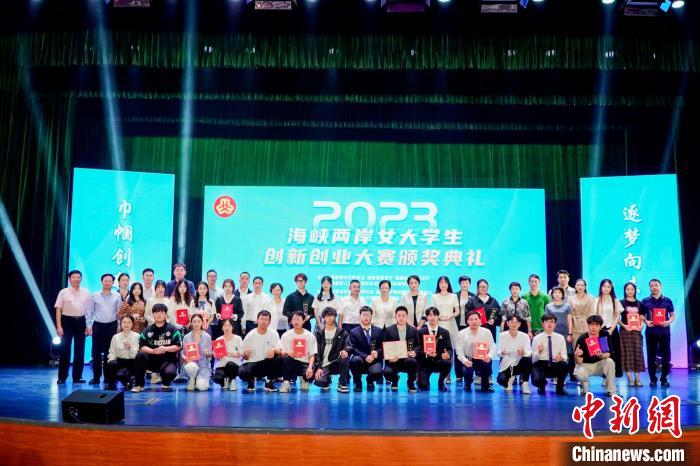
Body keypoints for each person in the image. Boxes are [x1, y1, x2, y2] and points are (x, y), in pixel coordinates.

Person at [132, 304, 182, 392]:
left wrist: (165, 349)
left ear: (166, 314)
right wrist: (152, 351)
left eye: (162, 312)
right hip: (151, 360)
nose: (159, 315)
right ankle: (139, 384)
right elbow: (142, 346)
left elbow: (178, 346)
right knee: (140, 355)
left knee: (169, 373)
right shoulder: (147, 330)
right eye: (156, 312)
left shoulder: (173, 329)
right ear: (153, 314)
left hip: (167, 360)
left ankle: (165, 382)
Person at [54, 270, 91, 384]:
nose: (76, 279)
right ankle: (62, 377)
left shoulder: (86, 292)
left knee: (80, 350)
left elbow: (88, 311)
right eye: (74, 277)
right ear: (69, 279)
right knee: (65, 350)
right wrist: (59, 326)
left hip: (81, 321)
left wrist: (88, 325)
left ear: (81, 279)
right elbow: (58, 309)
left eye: (78, 277)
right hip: (67, 321)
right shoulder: (63, 292)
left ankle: (77, 377)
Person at [86, 273, 121, 385]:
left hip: (112, 326)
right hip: (97, 326)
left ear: (113, 282)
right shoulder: (94, 295)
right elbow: (89, 312)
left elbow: (119, 313)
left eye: (110, 281)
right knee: (95, 353)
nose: (107, 283)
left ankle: (107, 377)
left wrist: (119, 326)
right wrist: (88, 326)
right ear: (102, 282)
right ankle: (96, 377)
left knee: (108, 353)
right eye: (105, 281)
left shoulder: (117, 295)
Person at [642, 278, 675, 388]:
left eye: (656, 285)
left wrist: (668, 322)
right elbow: (642, 315)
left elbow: (672, 315)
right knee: (651, 356)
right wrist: (646, 321)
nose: (654, 287)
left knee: (666, 356)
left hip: (664, 332)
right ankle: (653, 379)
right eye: (652, 286)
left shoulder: (668, 300)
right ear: (649, 288)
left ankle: (664, 378)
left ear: (660, 286)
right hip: (651, 332)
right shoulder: (645, 300)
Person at [574, 314, 617, 396]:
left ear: (600, 327)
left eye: (597, 325)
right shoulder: (582, 338)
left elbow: (608, 353)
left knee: (609, 361)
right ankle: (584, 386)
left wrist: (602, 356)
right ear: (588, 326)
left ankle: (611, 390)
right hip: (586, 365)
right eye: (591, 325)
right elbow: (579, 361)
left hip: (600, 365)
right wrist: (576, 355)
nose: (593, 328)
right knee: (579, 373)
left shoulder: (604, 335)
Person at [240, 310, 282, 392]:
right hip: (252, 363)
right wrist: (245, 354)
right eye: (262, 319)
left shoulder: (273, 334)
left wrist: (274, 349)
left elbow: (280, 349)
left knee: (278, 358)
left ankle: (269, 381)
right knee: (242, 371)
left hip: (266, 363)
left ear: (269, 322)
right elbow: (244, 356)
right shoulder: (250, 335)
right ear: (257, 320)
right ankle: (251, 380)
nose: (264, 321)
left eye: (266, 319)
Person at [456, 311, 496, 393]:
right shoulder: (461, 333)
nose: (474, 321)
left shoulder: (487, 332)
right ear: (467, 321)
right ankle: (467, 383)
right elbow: (459, 351)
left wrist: (489, 356)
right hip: (468, 359)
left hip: (482, 358)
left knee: (487, 364)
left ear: (480, 320)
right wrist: (464, 360)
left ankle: (485, 385)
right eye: (471, 319)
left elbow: (492, 347)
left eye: (476, 319)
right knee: (467, 372)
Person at [313, 307, 350, 393]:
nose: (329, 318)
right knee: (319, 381)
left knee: (345, 357)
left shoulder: (342, 332)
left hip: (336, 361)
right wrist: (319, 367)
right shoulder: (319, 333)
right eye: (327, 316)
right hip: (324, 364)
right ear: (324, 317)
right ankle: (327, 379)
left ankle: (342, 383)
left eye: (331, 315)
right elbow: (317, 352)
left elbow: (348, 345)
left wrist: (345, 350)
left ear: (335, 317)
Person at [382, 306, 420, 392]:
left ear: (407, 317)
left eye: (403, 315)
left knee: (413, 362)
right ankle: (395, 379)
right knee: (387, 373)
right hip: (393, 360)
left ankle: (410, 383)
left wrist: (414, 352)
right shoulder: (389, 330)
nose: (401, 318)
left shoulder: (413, 330)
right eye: (399, 315)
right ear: (395, 316)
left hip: (407, 359)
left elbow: (418, 346)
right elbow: (385, 347)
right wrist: (389, 358)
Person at [279, 311, 318, 393]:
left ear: (303, 321)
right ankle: (286, 383)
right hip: (291, 363)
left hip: (304, 363)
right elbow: (281, 352)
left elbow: (312, 355)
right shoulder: (286, 335)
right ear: (291, 321)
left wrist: (310, 368)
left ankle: (304, 379)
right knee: (285, 358)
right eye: (294, 319)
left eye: (299, 319)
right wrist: (288, 352)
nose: (296, 322)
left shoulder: (310, 336)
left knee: (310, 376)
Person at [430, 276, 460, 384]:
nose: (443, 284)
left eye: (445, 282)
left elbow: (457, 311)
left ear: (448, 284)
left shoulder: (453, 296)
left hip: (450, 324)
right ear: (438, 284)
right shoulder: (434, 296)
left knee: (450, 349)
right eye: (441, 282)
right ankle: (436, 372)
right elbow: (432, 311)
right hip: (437, 324)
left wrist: (450, 316)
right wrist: (438, 317)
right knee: (437, 348)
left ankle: (448, 376)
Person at [347, 306, 384, 392]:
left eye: (368, 315)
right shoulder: (353, 332)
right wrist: (365, 356)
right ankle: (358, 383)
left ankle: (370, 381)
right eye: (363, 315)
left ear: (371, 316)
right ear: (360, 317)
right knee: (355, 360)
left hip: (374, 360)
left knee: (378, 373)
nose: (366, 317)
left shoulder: (379, 331)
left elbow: (383, 346)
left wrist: (377, 352)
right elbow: (353, 348)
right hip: (360, 360)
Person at [531, 314, 569, 395]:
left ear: (555, 324)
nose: (549, 324)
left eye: (552, 322)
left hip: (555, 363)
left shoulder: (560, 338)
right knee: (536, 380)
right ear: (542, 324)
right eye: (546, 322)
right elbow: (533, 359)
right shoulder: (536, 338)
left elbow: (565, 355)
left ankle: (560, 388)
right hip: (541, 363)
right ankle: (541, 385)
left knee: (564, 365)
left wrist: (561, 358)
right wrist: (539, 352)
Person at [417, 307, 452, 392]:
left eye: (435, 315)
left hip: (439, 361)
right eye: (430, 315)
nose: (432, 317)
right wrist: (426, 353)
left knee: (447, 363)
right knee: (423, 386)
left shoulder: (445, 332)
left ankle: (441, 382)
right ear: (427, 317)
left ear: (438, 316)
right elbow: (418, 349)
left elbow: (449, 349)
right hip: (425, 363)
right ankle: (425, 380)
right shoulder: (421, 332)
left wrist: (448, 354)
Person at [619, 282, 647, 387]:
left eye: (632, 289)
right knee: (627, 354)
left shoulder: (640, 304)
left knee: (637, 354)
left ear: (635, 290)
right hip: (625, 331)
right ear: (624, 290)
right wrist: (624, 325)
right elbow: (616, 318)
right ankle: (630, 379)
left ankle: (637, 379)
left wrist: (641, 325)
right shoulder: (621, 303)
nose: (630, 291)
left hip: (636, 332)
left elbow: (642, 317)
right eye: (628, 289)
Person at [594, 279, 623, 378]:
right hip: (601, 330)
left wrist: (611, 329)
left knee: (614, 352)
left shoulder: (615, 300)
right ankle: (604, 376)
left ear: (611, 288)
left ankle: (613, 375)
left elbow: (617, 316)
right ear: (601, 287)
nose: (606, 289)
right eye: (604, 286)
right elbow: (595, 316)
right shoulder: (596, 300)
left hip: (612, 329)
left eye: (608, 287)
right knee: (604, 352)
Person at [496, 315, 532, 393]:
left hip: (520, 364)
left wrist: (523, 353)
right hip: (507, 364)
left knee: (528, 359)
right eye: (511, 322)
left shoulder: (525, 336)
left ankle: (525, 383)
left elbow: (529, 352)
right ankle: (510, 378)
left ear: (520, 324)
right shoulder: (502, 335)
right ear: (507, 323)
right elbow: (498, 353)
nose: (514, 324)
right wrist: (502, 352)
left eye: (516, 322)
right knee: (501, 380)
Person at [105, 315, 140, 390]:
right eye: (124, 322)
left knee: (135, 364)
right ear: (121, 324)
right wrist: (111, 361)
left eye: (129, 322)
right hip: (119, 361)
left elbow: (136, 354)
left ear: (133, 324)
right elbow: (112, 352)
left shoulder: (137, 336)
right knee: (111, 363)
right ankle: (111, 384)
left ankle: (132, 381)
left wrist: (130, 348)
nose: (126, 324)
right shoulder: (115, 337)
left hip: (132, 361)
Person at [545, 286, 573, 380]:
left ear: (562, 295)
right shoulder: (548, 306)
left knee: (565, 355)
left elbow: (569, 321)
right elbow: (546, 321)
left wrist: (570, 334)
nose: (557, 294)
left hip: (565, 334)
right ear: (552, 294)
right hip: (553, 334)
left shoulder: (567, 306)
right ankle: (555, 376)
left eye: (559, 293)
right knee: (554, 354)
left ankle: (562, 377)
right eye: (555, 292)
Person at [181, 313, 212, 391]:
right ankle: (192, 379)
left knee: (201, 387)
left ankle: (199, 380)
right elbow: (183, 353)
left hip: (203, 365)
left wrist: (208, 354)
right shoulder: (186, 337)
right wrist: (186, 359)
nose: (196, 324)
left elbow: (210, 356)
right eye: (194, 321)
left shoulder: (207, 337)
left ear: (202, 322)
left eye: (198, 321)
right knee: (191, 366)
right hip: (191, 364)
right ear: (191, 323)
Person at [212, 319, 244, 391]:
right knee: (217, 378)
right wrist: (218, 356)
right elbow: (215, 355)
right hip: (222, 365)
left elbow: (241, 353)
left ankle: (232, 380)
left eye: (229, 326)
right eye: (225, 326)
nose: (227, 328)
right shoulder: (218, 340)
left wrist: (228, 353)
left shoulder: (238, 338)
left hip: (234, 364)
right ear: (222, 328)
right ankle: (224, 379)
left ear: (232, 327)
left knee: (230, 364)